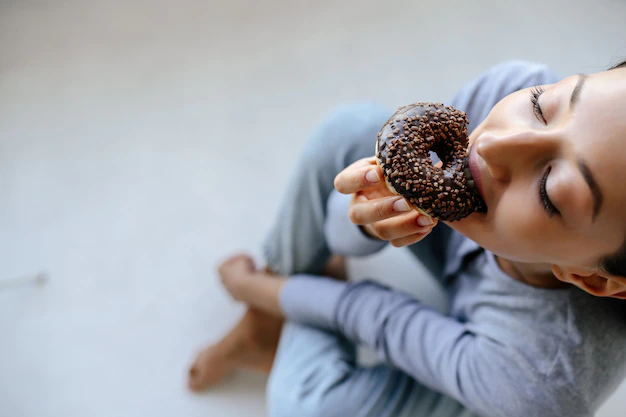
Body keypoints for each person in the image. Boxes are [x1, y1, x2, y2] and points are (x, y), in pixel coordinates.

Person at [188, 60, 626, 417]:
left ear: (591, 278)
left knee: (309, 407)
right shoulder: (511, 85)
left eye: (550, 189)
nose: (494, 145)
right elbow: (347, 223)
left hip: (488, 375)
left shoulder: (542, 385)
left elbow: (385, 319)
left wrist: (257, 288)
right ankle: (263, 328)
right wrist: (365, 223)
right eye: (543, 106)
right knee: (348, 130)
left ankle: (273, 312)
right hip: (480, 268)